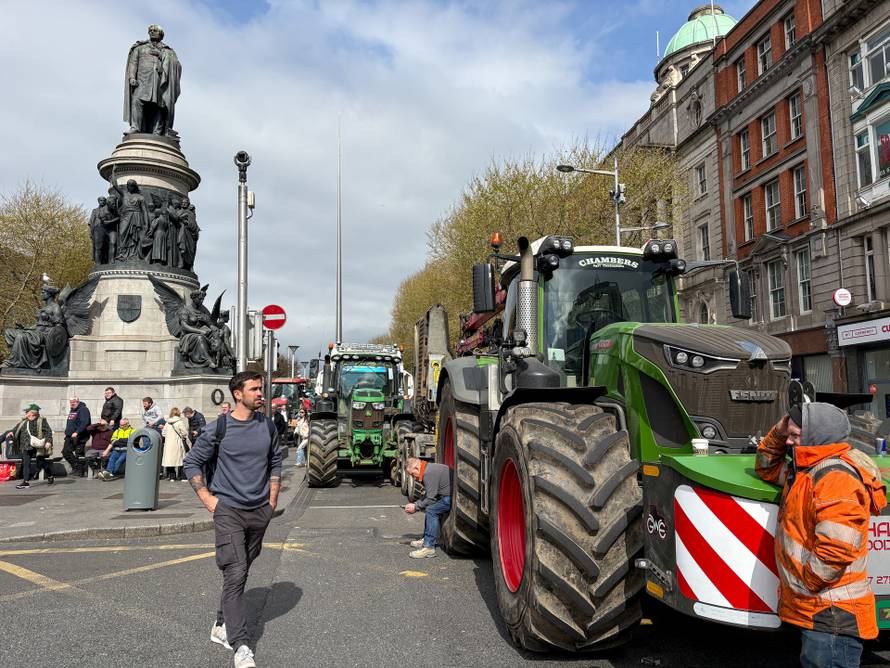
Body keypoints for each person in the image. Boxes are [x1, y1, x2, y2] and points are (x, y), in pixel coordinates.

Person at [756, 402, 888, 668]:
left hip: (830, 615)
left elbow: (837, 549)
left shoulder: (835, 478)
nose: (789, 443)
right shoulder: (808, 471)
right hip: (820, 611)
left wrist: (807, 585)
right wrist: (780, 431)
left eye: (795, 436)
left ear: (818, 436)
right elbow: (766, 466)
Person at [184, 371, 281, 668]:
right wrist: (207, 499)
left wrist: (273, 497)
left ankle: (221, 624)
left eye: (260, 389)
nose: (260, 394)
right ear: (237, 394)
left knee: (241, 571)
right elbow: (192, 462)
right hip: (228, 510)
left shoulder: (267, 425)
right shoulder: (219, 428)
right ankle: (241, 645)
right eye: (254, 389)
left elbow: (275, 460)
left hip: (259, 511)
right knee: (236, 570)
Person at [403, 457, 453, 559]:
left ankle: (429, 547)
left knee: (431, 510)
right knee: (430, 508)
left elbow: (431, 499)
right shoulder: (428, 468)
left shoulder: (427, 474)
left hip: (450, 498)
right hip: (448, 495)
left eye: (413, 474)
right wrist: (416, 504)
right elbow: (430, 495)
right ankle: (427, 539)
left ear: (417, 468)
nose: (414, 478)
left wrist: (416, 507)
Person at [7, 404, 54, 488]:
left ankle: (50, 475)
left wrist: (48, 442)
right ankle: (25, 482)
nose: (26, 413)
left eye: (27, 412)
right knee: (26, 463)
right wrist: (12, 432)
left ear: (33, 413)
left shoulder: (41, 421)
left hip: (38, 446)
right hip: (25, 446)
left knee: (41, 462)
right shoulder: (24, 421)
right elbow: (16, 429)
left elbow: (48, 432)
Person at [63, 396, 91, 477]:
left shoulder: (83, 409)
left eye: (74, 402)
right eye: (71, 402)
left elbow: (84, 422)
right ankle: (77, 467)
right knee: (66, 452)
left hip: (80, 435)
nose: (72, 404)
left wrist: (77, 432)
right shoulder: (72, 410)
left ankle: (80, 471)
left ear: (78, 401)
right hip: (69, 435)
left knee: (79, 453)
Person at [162, 407, 189, 481]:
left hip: (168, 444)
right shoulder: (180, 422)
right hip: (177, 443)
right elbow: (184, 433)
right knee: (181, 459)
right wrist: (181, 436)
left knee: (170, 460)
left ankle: (172, 477)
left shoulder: (167, 422)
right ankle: (183, 477)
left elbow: (163, 433)